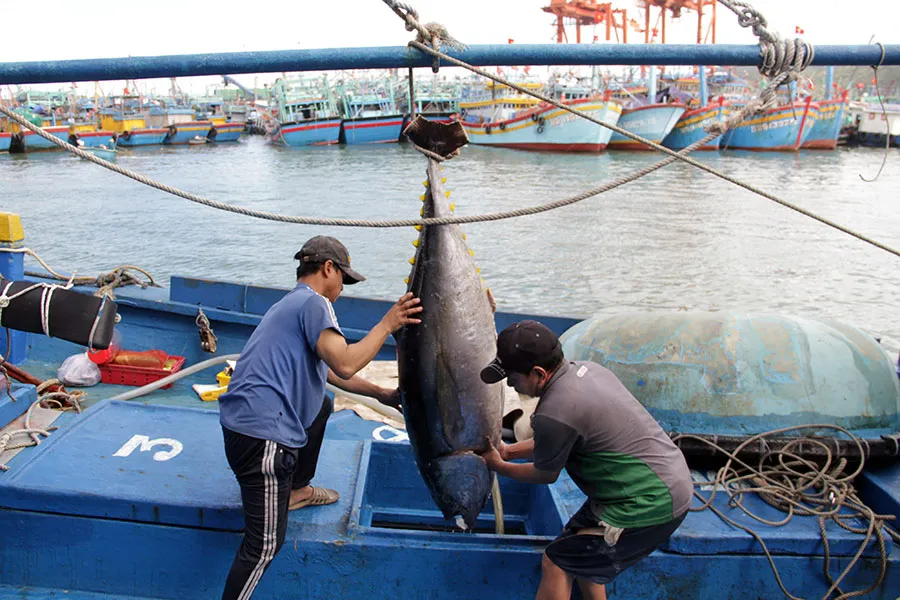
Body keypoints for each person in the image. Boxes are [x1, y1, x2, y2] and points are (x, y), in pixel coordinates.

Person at [218, 235, 422, 600]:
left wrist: (383, 395)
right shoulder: (316, 304)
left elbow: (331, 372)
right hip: (262, 438)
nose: (343, 287)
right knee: (264, 545)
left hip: (244, 428)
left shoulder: (290, 304)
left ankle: (296, 489)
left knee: (323, 404)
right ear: (328, 268)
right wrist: (388, 324)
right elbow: (344, 360)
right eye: (344, 278)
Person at [479, 320, 692, 600]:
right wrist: (508, 451)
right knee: (585, 562)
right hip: (668, 480)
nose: (509, 383)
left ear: (539, 373)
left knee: (557, 561)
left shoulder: (554, 412)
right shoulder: (590, 370)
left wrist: (499, 466)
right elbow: (561, 437)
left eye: (513, 377)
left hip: (648, 504)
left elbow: (546, 473)